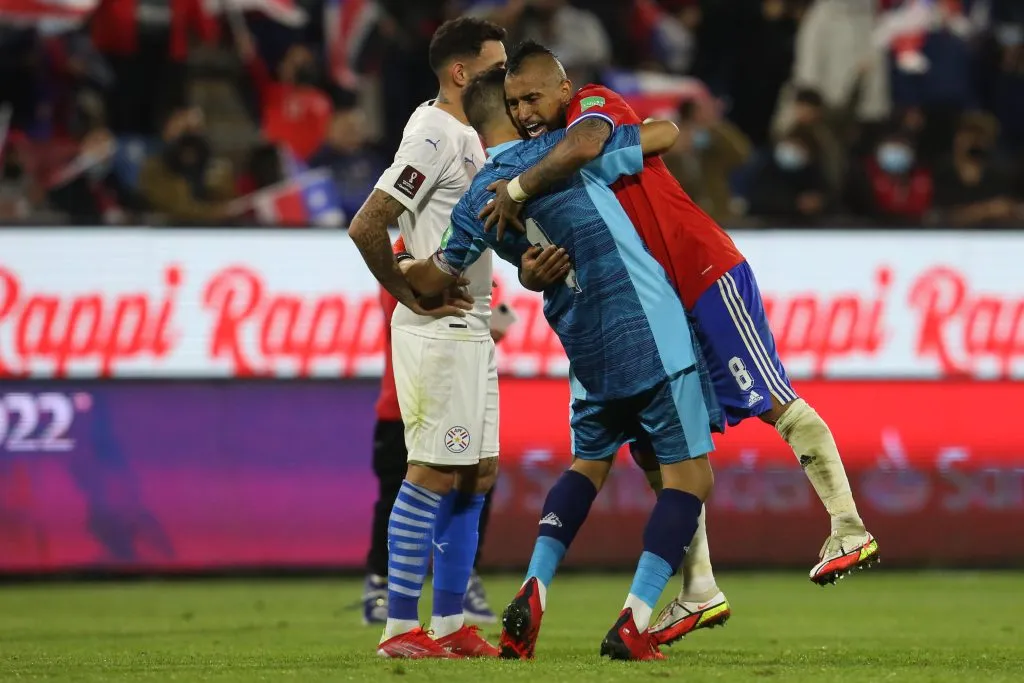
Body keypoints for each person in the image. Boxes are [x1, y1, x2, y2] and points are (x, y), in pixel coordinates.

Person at [484, 41, 878, 646]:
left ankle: (848, 526)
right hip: (659, 307)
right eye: (513, 103)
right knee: (663, 453)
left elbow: (634, 137)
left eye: (533, 96)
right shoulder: (547, 166)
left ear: (563, 90)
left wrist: (512, 191)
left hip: (701, 270)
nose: (524, 111)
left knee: (769, 396)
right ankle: (698, 588)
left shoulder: (589, 111)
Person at [399, 65, 711, 662]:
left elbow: (434, 278)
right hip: (647, 324)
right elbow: (665, 133)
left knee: (589, 464)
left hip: (583, 343)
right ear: (513, 111)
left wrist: (393, 258)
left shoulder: (473, 204)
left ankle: (534, 586)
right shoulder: (567, 152)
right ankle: (635, 618)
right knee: (690, 479)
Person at [346, 17, 508, 659]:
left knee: (477, 473)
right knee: (434, 471)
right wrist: (409, 292)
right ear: (461, 72)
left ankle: (448, 624)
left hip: (472, 326)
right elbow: (367, 225)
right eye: (496, 69)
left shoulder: (468, 135)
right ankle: (398, 629)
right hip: (438, 331)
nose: (506, 78)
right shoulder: (436, 134)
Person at [361, 276, 516, 626]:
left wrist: (485, 325)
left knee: (475, 483)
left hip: (459, 398)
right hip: (405, 403)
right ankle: (380, 587)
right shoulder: (407, 265)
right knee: (397, 494)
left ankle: (461, 584)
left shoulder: (478, 266)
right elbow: (422, 316)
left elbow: (490, 320)